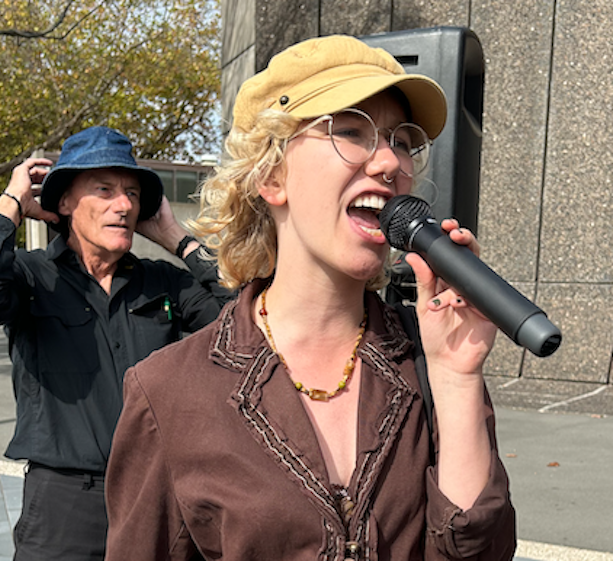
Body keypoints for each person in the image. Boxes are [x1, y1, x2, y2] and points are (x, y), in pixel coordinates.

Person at [104, 35, 516, 560]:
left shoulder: (432, 362)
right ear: (272, 176)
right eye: (350, 130)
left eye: (402, 141)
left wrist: (458, 379)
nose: (389, 160)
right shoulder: (168, 391)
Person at [0, 126, 232, 561]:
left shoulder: (164, 282)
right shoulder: (32, 276)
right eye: (104, 190)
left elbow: (247, 317)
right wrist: (11, 205)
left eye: (133, 194)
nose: (124, 205)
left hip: (156, 499)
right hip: (64, 508)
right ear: (64, 203)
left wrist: (178, 239)